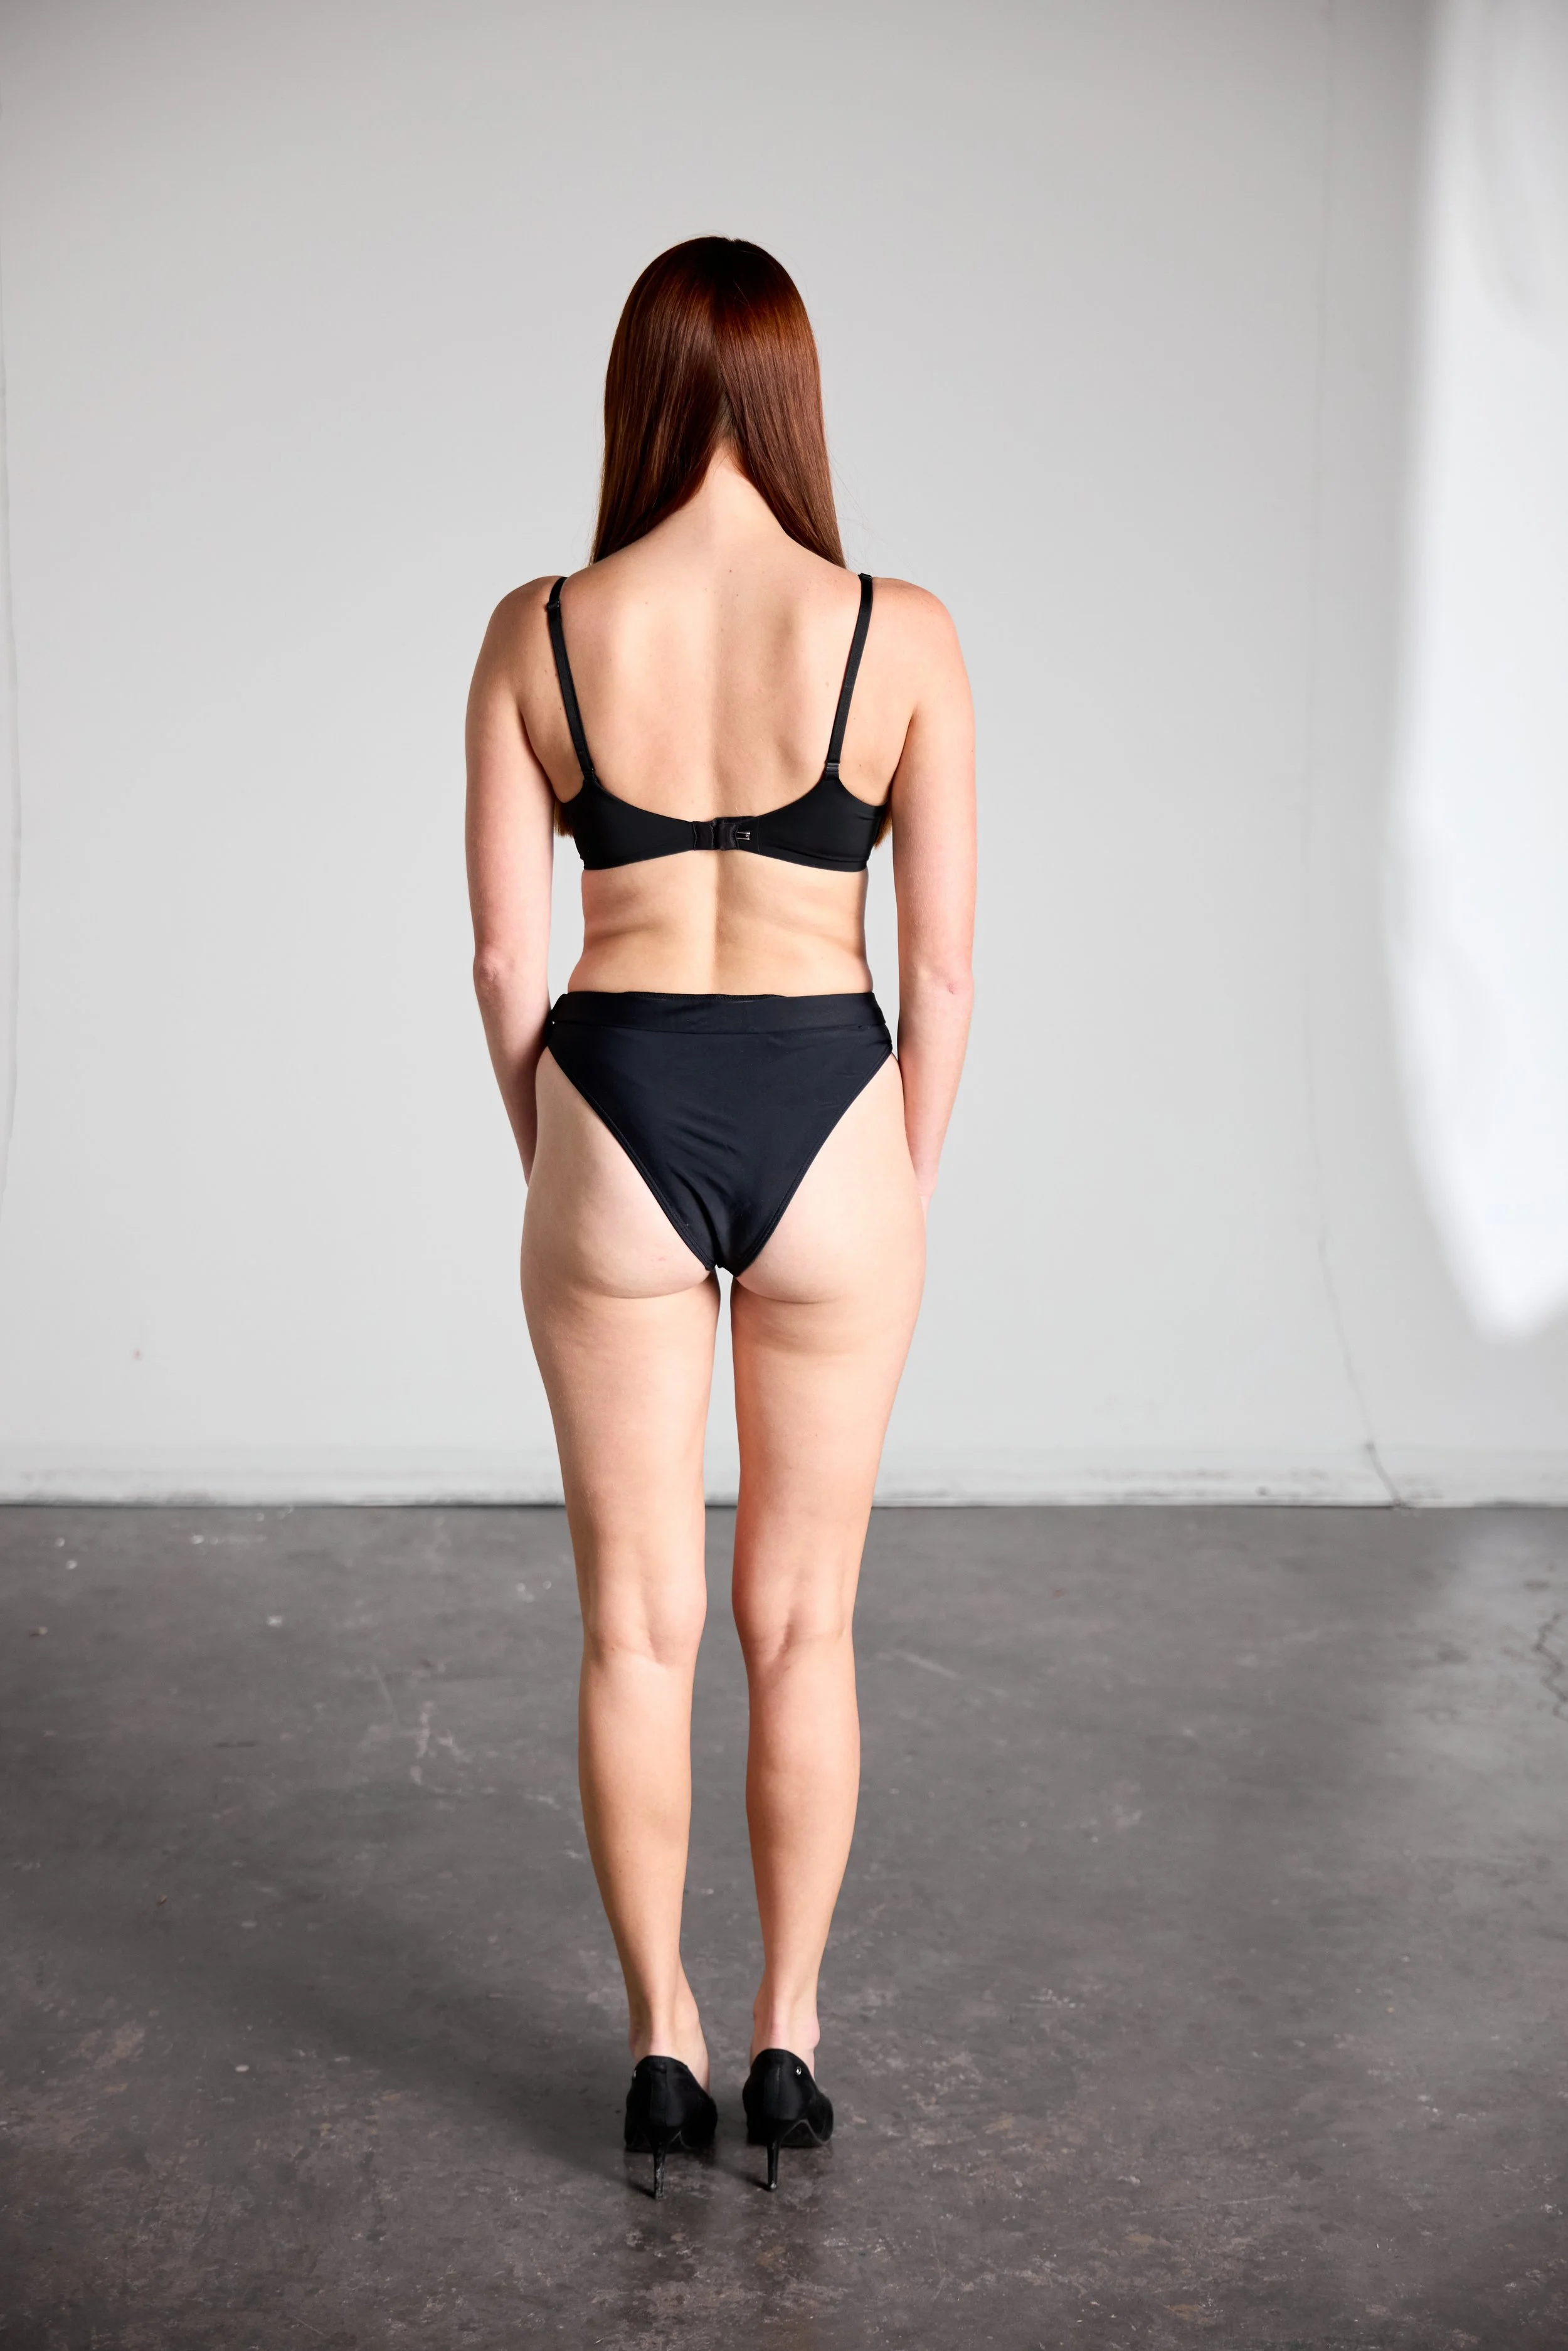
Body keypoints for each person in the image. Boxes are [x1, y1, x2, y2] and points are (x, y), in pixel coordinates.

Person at [465, 236, 975, 2194]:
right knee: (802, 1618)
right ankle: (787, 2029)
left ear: (638, 394)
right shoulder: (896, 631)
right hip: (829, 1105)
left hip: (613, 1095)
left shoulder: (540, 630)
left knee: (634, 1621)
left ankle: (658, 2040)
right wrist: (896, 1183)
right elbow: (940, 972)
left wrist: (561, 1156)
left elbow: (505, 953)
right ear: (789, 394)